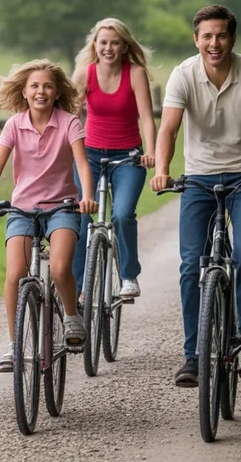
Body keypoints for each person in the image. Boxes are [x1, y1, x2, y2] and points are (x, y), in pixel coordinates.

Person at [150, 5, 241, 387]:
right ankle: (193, 356)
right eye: (207, 36)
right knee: (190, 263)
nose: (214, 43)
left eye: (221, 36)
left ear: (233, 39)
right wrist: (162, 170)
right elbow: (168, 130)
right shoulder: (183, 74)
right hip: (198, 176)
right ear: (196, 40)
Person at [0, 59, 98, 373]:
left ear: (57, 93)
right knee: (15, 274)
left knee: (59, 268)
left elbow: (82, 163)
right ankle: (16, 346)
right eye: (34, 86)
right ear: (24, 92)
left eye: (47, 86)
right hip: (22, 209)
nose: (41, 91)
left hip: (63, 207)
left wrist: (87, 196)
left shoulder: (69, 122)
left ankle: (71, 317)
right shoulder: (14, 124)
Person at [70, 18, 157, 300]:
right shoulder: (84, 74)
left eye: (115, 42)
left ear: (124, 46)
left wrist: (151, 151)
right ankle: (79, 287)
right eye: (103, 42)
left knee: (121, 214)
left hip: (128, 157)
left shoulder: (135, 74)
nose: (108, 48)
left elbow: (146, 116)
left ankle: (128, 275)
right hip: (90, 156)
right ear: (95, 45)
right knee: (82, 217)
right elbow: (70, 118)